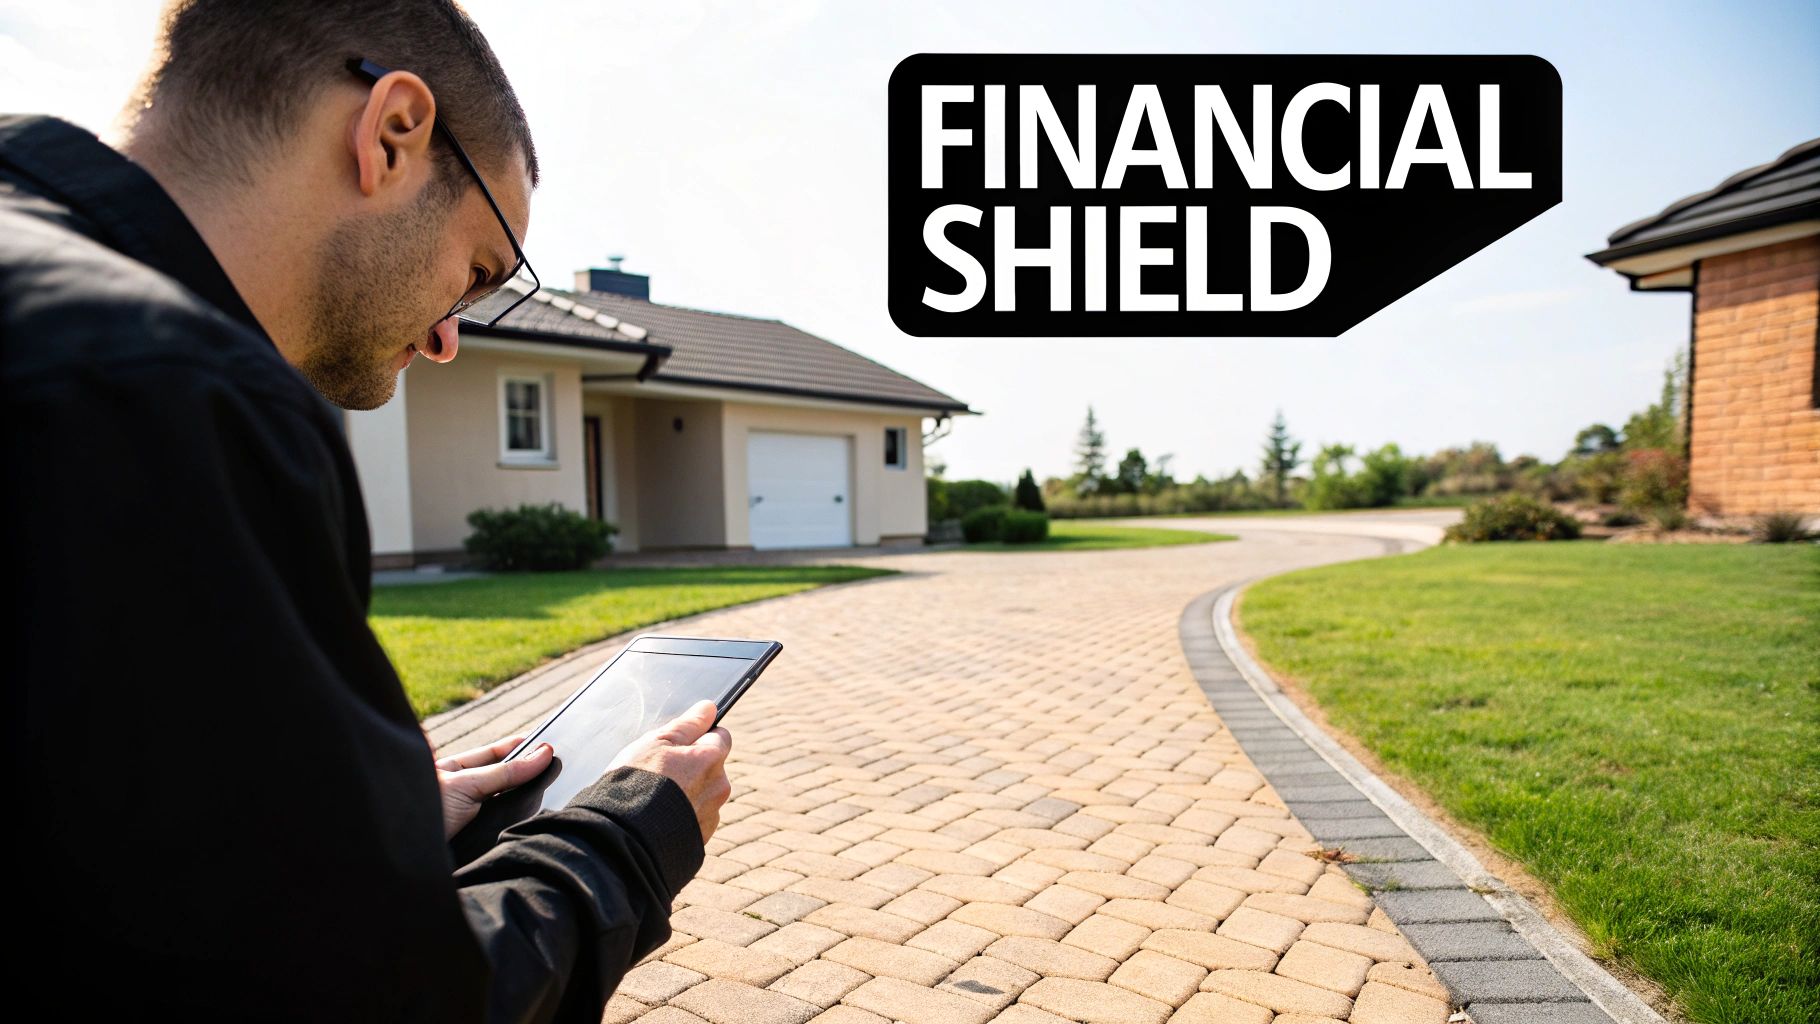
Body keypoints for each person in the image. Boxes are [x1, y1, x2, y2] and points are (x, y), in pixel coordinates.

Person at [0, 2, 732, 1021]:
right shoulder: (167, 392)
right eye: (478, 271)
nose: (447, 339)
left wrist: (345, 825)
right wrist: (626, 839)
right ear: (392, 132)